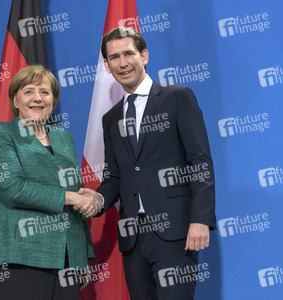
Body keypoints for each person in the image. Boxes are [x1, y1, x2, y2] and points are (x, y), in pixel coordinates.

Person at [78, 27, 216, 300]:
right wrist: (97, 199)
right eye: (114, 57)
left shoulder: (178, 97)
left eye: (129, 53)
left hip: (175, 233)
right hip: (133, 239)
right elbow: (115, 177)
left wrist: (200, 220)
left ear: (144, 56)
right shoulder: (110, 118)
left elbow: (200, 161)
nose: (122, 63)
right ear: (106, 65)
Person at [0, 65, 98, 300]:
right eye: (29, 92)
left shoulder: (63, 138)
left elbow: (74, 198)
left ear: (53, 100)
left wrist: (80, 257)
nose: (38, 98)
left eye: (45, 92)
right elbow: (12, 188)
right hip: (17, 256)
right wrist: (72, 197)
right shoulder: (1, 133)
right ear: (15, 100)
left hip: (66, 260)